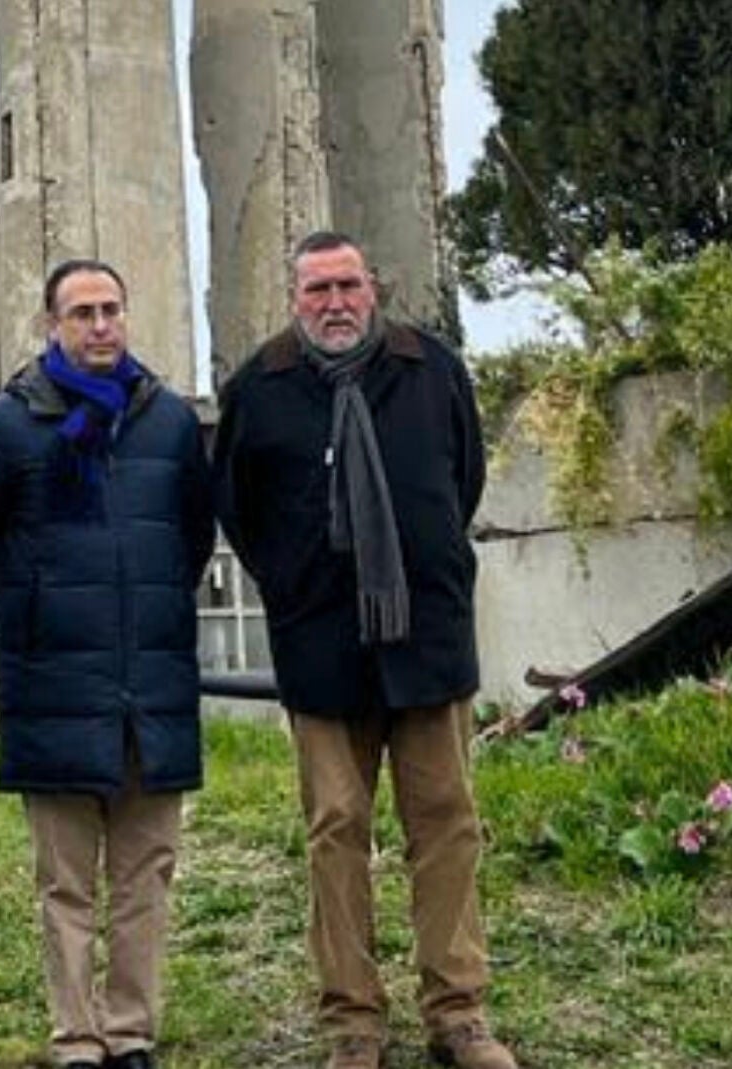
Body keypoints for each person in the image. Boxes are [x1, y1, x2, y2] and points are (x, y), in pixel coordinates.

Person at [210, 232, 515, 1069]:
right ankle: (352, 1021)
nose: (334, 303)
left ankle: (458, 1012)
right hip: (321, 643)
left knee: (446, 821)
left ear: (370, 289)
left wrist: (419, 563)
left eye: (346, 285)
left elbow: (462, 480)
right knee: (336, 827)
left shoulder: (429, 368)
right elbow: (239, 509)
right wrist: (295, 582)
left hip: (426, 637)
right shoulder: (260, 388)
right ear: (294, 298)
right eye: (317, 289)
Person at [0, 259, 215, 1069]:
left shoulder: (168, 422)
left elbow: (191, 538)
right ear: (52, 325)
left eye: (110, 309)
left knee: (145, 874)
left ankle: (130, 1030)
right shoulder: (7, 426)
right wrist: (27, 618)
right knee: (65, 881)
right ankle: (75, 1037)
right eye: (82, 313)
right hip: (55, 684)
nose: (100, 326)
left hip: (150, 684)